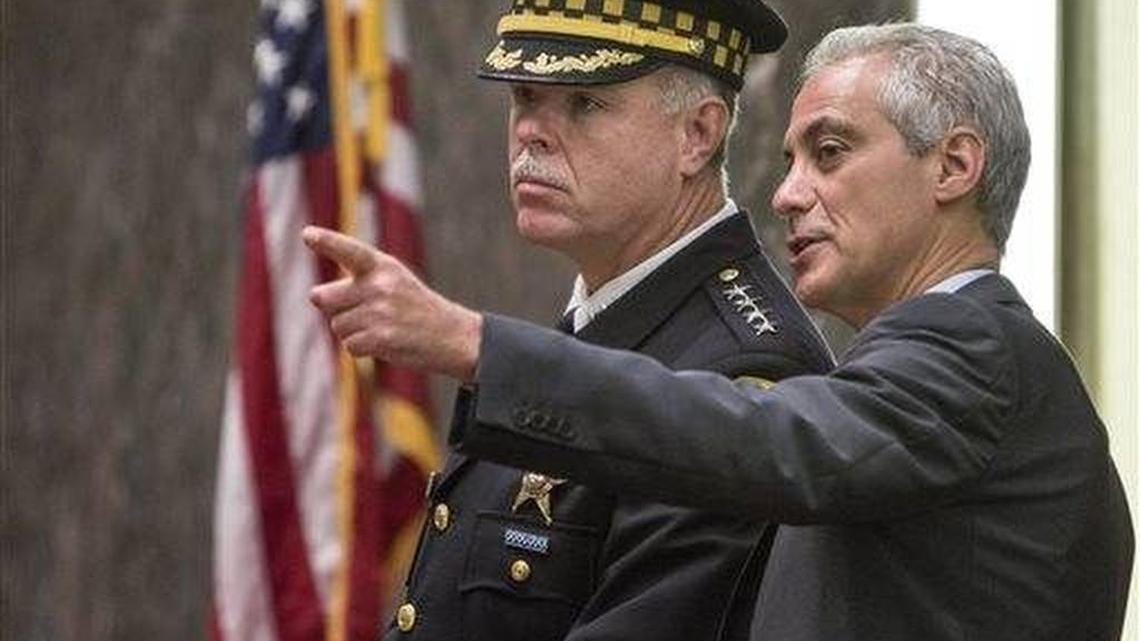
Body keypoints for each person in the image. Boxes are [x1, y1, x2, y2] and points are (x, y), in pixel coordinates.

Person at [306, 22, 1135, 640]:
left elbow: (765, 439)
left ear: (953, 166)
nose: (787, 194)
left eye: (831, 152)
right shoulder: (938, 362)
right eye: (793, 159)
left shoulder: (975, 349)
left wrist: (476, 345)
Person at [305, 2, 835, 640]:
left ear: (697, 134)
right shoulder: (603, 320)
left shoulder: (747, 371)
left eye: (585, 103)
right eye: (525, 96)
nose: (532, 132)